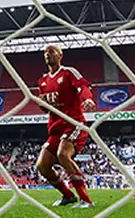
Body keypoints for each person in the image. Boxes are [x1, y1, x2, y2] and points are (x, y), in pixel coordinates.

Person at [36, 44, 96, 208]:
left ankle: (86, 200)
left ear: (60, 55)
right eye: (45, 53)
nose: (48, 54)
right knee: (42, 165)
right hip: (55, 129)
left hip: (73, 123)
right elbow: (45, 108)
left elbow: (83, 86)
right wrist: (42, 103)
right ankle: (68, 196)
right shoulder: (42, 81)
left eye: (52, 51)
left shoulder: (69, 72)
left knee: (63, 155)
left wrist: (87, 99)